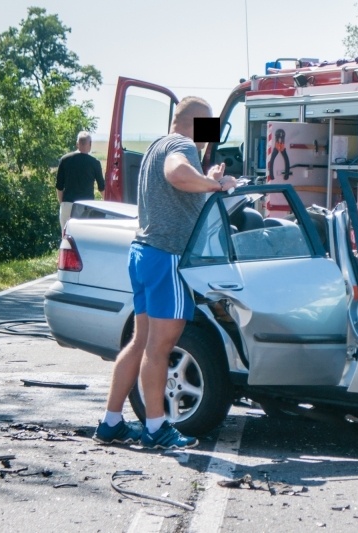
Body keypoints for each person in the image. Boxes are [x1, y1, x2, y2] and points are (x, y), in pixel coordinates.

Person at [92, 97, 237, 449]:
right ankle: (157, 428)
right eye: (211, 126)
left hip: (143, 254)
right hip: (167, 257)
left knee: (140, 341)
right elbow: (176, 173)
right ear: (198, 122)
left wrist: (206, 178)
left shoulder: (157, 145)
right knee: (160, 348)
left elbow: (176, 181)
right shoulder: (180, 145)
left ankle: (111, 422)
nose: (211, 135)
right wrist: (216, 185)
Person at [55, 131, 105, 229]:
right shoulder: (95, 163)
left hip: (67, 205)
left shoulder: (64, 160)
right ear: (90, 145)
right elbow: (102, 188)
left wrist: (63, 204)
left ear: (77, 144)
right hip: (85, 207)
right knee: (83, 239)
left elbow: (59, 187)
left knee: (66, 239)